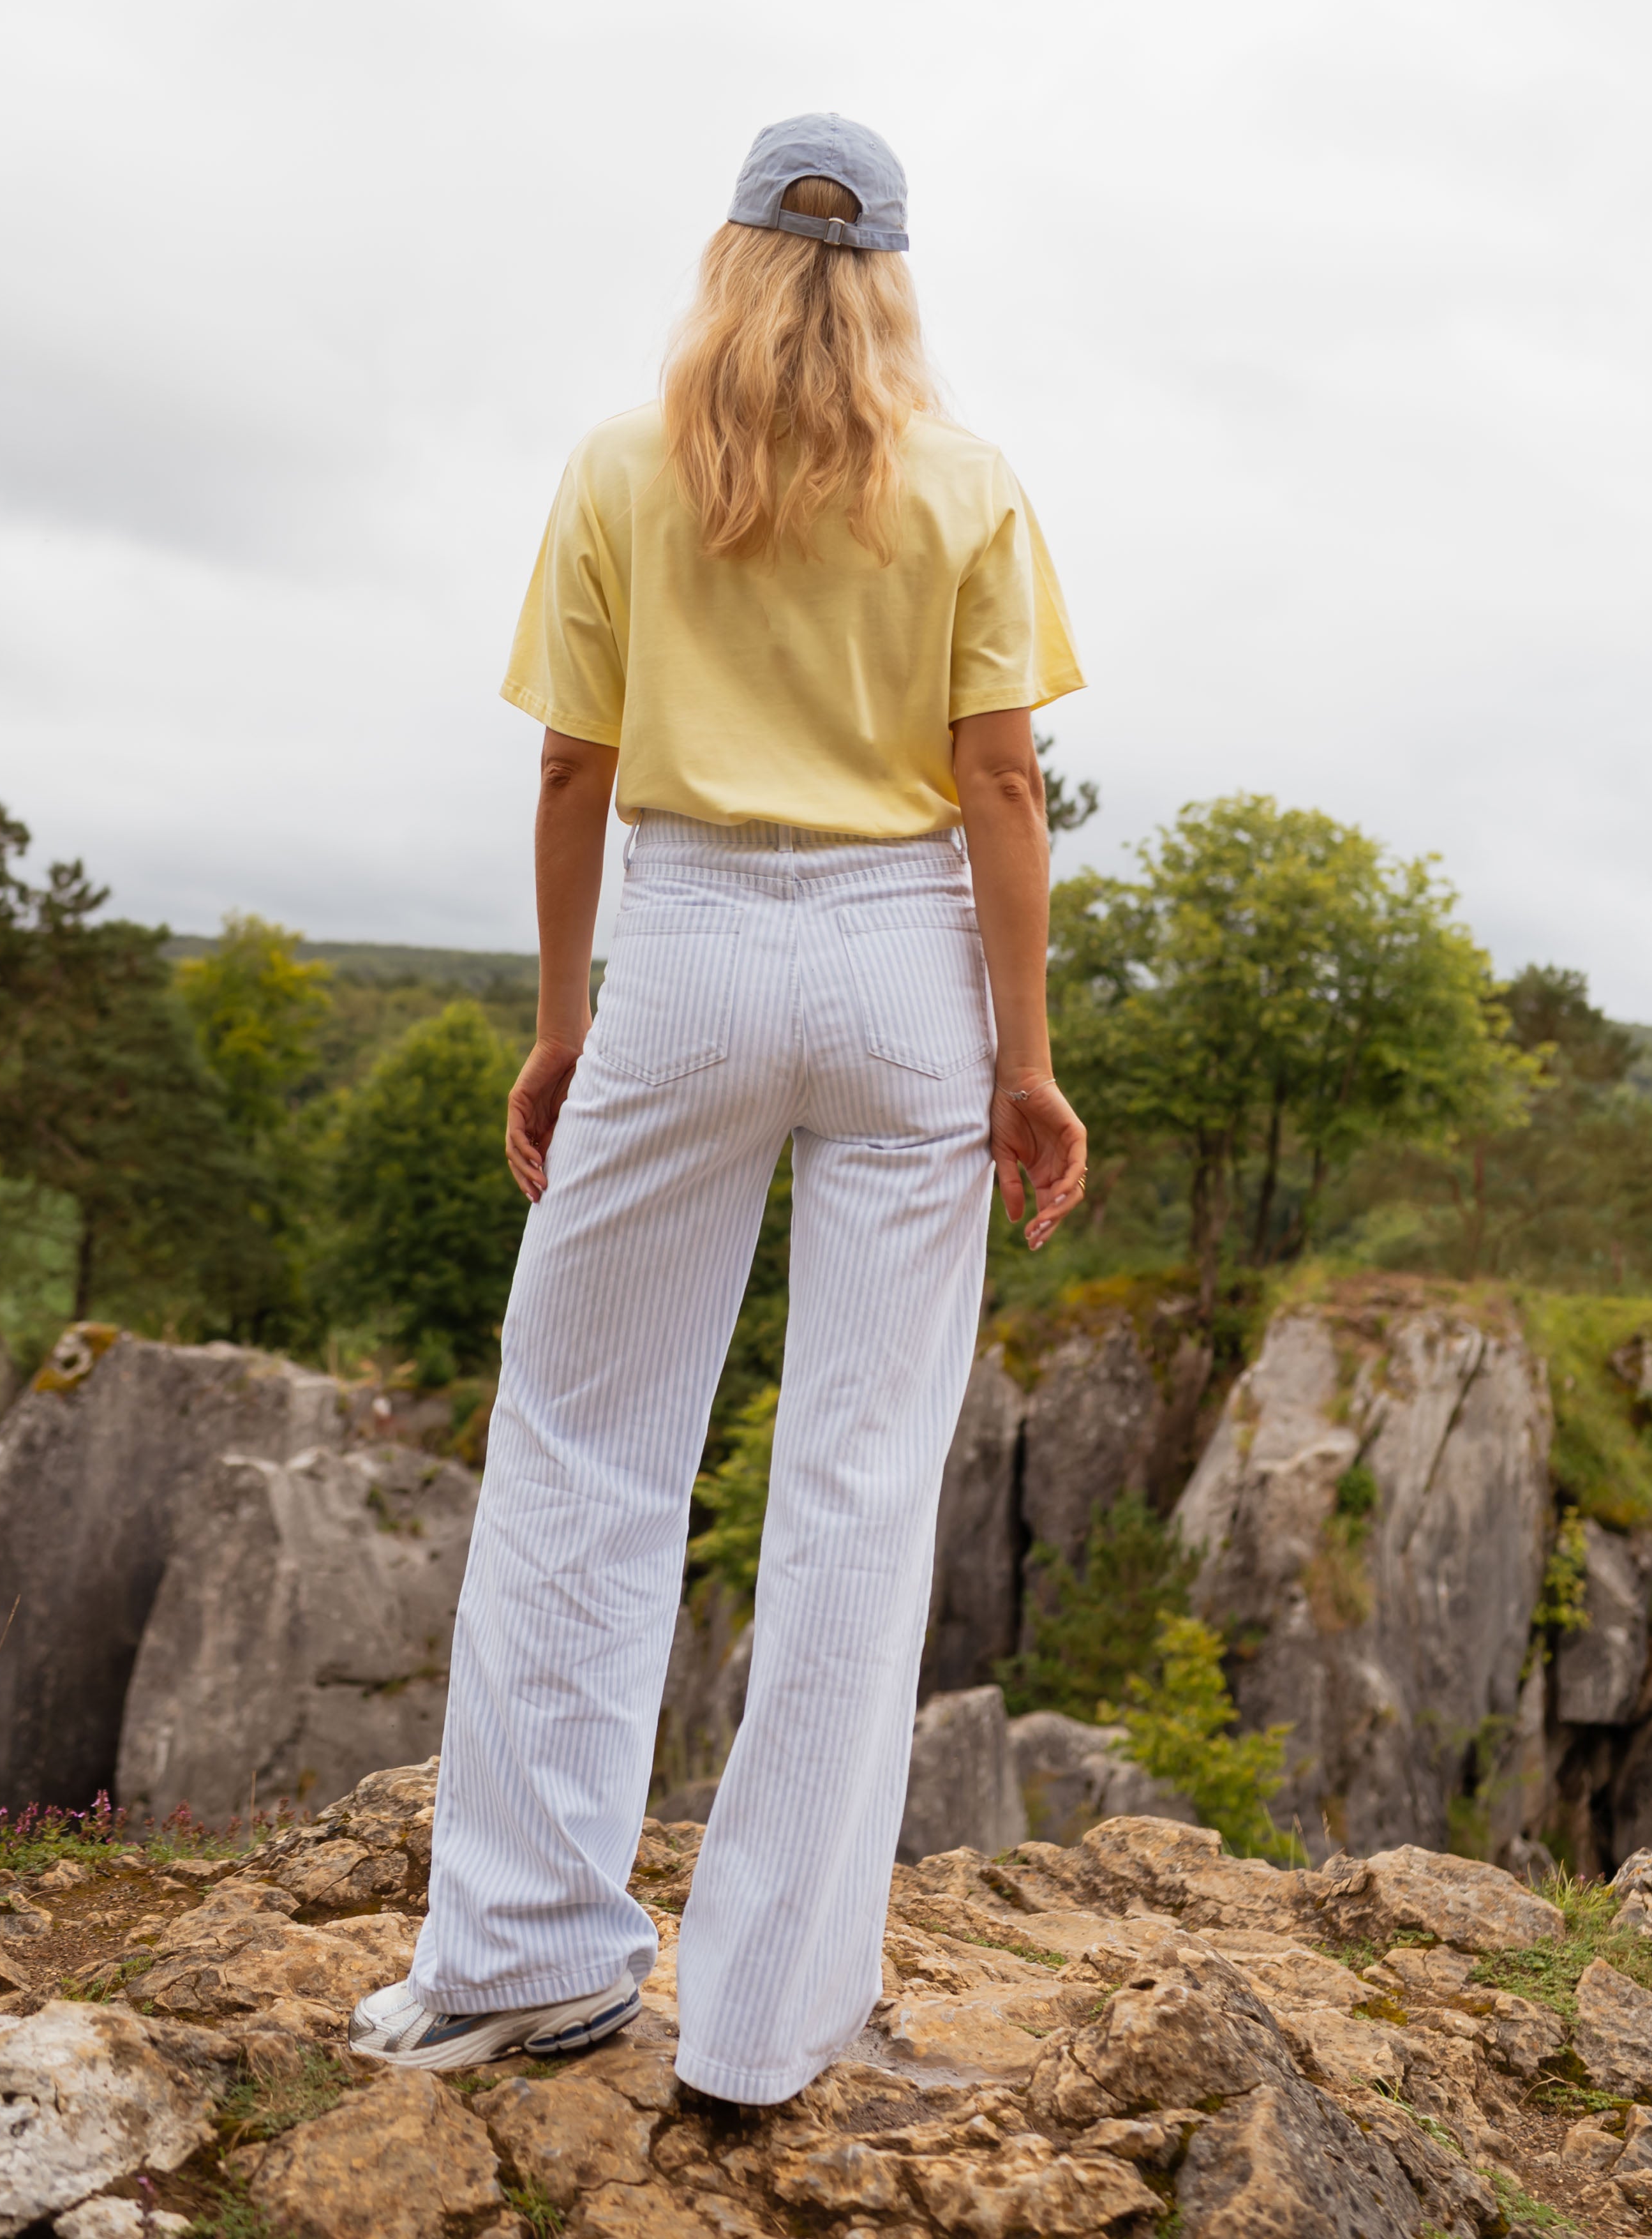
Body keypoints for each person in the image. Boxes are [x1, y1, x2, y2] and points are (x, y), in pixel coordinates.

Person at [350, 112, 1088, 2104]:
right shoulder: (971, 487)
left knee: (584, 1443)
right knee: (855, 1482)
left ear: (731, 251)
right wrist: (1023, 1065)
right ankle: (764, 2031)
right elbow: (1005, 791)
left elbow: (574, 778)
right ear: (897, 276)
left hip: (677, 942)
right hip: (897, 961)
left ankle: (519, 1958)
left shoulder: (619, 468)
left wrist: (565, 1024)